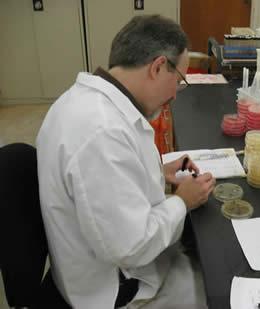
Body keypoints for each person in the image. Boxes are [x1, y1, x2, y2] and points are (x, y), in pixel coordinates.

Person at [36, 15, 215, 308]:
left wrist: (157, 172)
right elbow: (133, 247)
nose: (174, 95)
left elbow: (107, 183)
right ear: (158, 67)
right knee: (213, 284)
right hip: (113, 286)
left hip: (93, 254)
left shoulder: (84, 101)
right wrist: (183, 201)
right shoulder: (101, 133)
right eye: (179, 81)